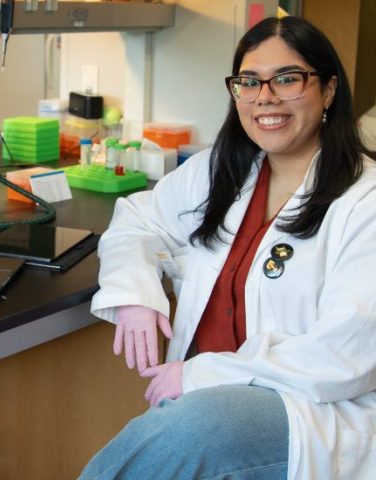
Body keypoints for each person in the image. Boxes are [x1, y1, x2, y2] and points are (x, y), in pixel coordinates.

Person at [79, 15, 376, 480]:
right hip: (201, 399)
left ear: (330, 90)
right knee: (184, 429)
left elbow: (342, 354)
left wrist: (199, 375)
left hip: (309, 412)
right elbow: (136, 219)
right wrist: (134, 292)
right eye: (249, 82)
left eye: (287, 79)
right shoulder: (224, 170)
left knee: (191, 432)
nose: (265, 98)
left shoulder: (365, 201)